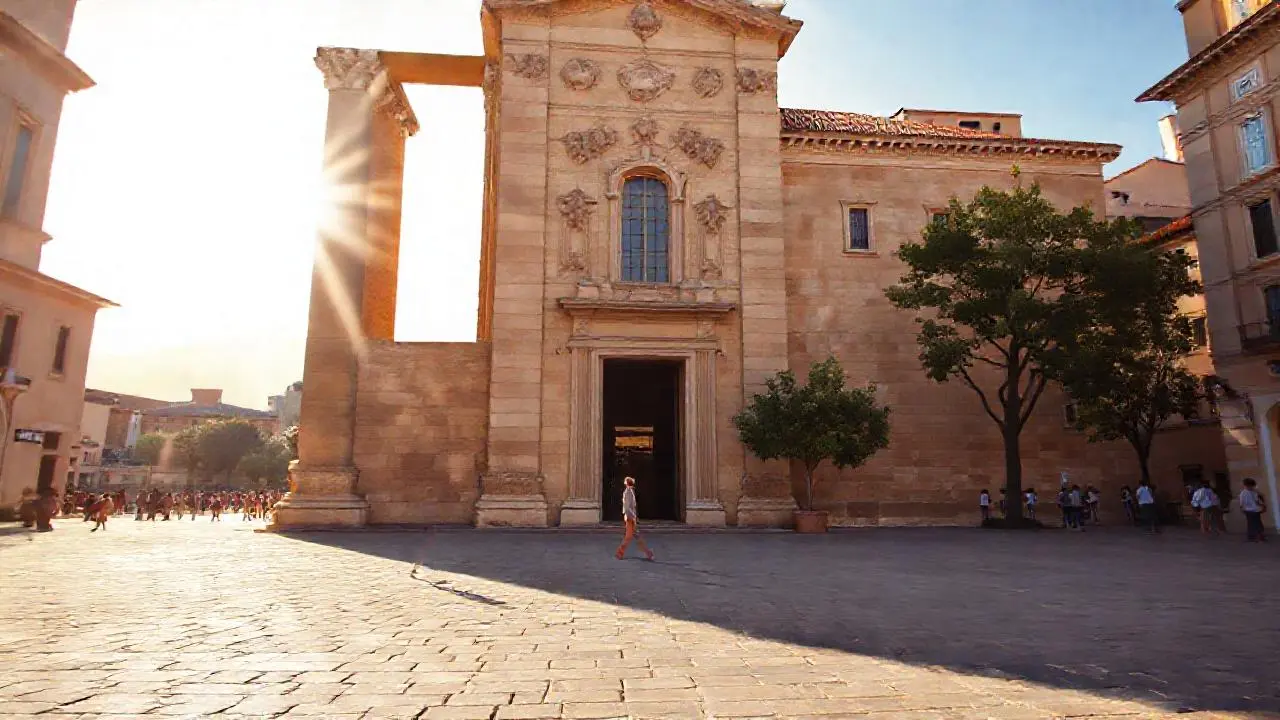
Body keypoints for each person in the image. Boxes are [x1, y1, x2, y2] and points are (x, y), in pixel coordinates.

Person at [614, 476, 653, 561]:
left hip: (630, 517)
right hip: (630, 517)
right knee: (629, 537)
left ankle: (648, 553)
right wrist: (634, 517)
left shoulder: (629, 491)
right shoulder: (628, 492)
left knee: (635, 536)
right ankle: (619, 553)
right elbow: (628, 507)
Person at [1239, 478, 1267, 543]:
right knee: (1257, 524)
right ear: (1248, 485)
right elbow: (1257, 501)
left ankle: (1252, 536)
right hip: (1254, 510)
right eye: (1251, 486)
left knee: (1252, 523)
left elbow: (1241, 503)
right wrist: (1263, 506)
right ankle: (1259, 537)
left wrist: (1242, 509)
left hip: (1249, 510)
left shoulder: (1243, 493)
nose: (1252, 487)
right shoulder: (1253, 492)